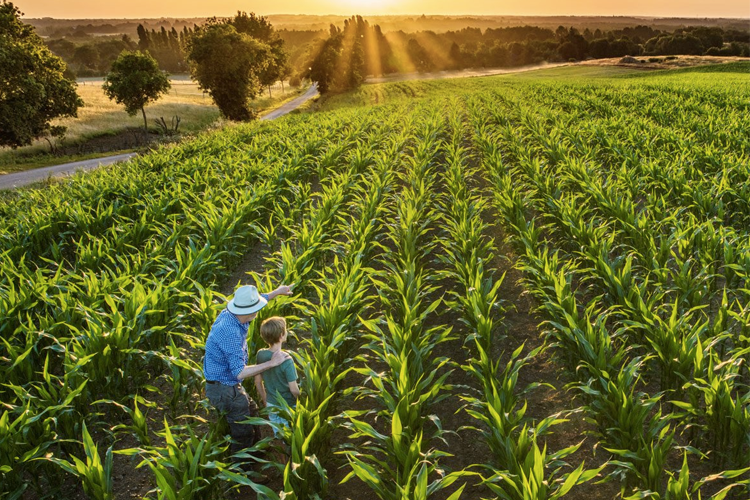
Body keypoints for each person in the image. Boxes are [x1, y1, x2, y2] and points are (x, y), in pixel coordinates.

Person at [203, 283, 292, 465]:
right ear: (250, 311)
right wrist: (271, 363)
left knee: (252, 412)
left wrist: (278, 292)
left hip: (227, 382)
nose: (259, 310)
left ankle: (256, 451)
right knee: (242, 430)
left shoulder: (236, 313)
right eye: (256, 309)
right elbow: (240, 372)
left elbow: (259, 299)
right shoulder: (229, 333)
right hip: (224, 387)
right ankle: (243, 470)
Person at [254, 316, 299, 437]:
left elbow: (258, 381)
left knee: (278, 434)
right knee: (291, 436)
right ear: (281, 336)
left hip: (271, 404)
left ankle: (282, 454)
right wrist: (301, 401)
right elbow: (294, 389)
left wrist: (265, 399)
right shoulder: (287, 360)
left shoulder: (261, 354)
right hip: (288, 405)